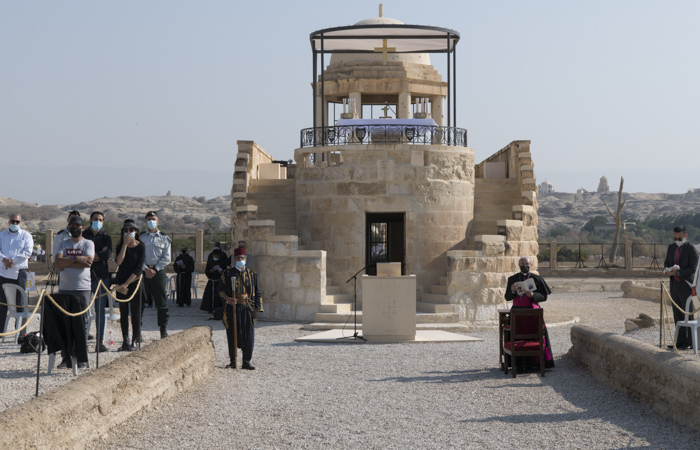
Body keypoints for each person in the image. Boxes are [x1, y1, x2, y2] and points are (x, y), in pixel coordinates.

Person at [54, 216, 94, 368]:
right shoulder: (63, 243)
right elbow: (58, 263)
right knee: (65, 324)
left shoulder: (88, 243)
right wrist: (78, 258)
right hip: (64, 288)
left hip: (82, 289)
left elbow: (88, 263)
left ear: (83, 228)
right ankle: (66, 358)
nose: (75, 227)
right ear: (68, 227)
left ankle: (81, 357)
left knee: (81, 324)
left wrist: (68, 260)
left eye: (78, 225)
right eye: (72, 225)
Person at [504, 256, 555, 372]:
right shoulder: (512, 279)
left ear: (530, 265)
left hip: (533, 313)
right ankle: (518, 365)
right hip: (517, 312)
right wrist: (512, 290)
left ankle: (535, 364)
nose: (524, 265)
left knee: (535, 336)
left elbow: (544, 296)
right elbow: (507, 297)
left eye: (526, 263)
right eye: (522, 263)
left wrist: (532, 295)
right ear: (518, 265)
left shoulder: (537, 279)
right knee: (516, 337)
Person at [219, 247, 262, 370]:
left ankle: (246, 361)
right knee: (232, 333)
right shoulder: (227, 274)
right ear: (234, 260)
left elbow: (258, 292)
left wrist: (256, 308)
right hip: (232, 308)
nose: (240, 260)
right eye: (238, 258)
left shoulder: (252, 274)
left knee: (249, 334)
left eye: (242, 258)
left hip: (247, 308)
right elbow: (220, 291)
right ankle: (233, 361)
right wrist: (228, 299)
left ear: (246, 259)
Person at [663, 226, 700, 350]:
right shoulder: (671, 247)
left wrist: (678, 273)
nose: (677, 240)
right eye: (675, 238)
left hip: (686, 285)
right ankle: (679, 341)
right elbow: (667, 262)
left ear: (685, 236)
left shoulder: (691, 249)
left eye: (679, 238)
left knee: (687, 313)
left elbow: (694, 268)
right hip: (675, 285)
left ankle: (690, 342)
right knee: (677, 313)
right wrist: (668, 270)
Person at [82, 211, 113, 352]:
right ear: (90, 221)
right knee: (83, 309)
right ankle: (81, 338)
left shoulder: (106, 238)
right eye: (95, 219)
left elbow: (107, 255)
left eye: (100, 220)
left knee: (100, 310)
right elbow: (81, 254)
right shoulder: (83, 236)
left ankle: (99, 341)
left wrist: (91, 256)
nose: (98, 222)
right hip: (84, 277)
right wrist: (98, 254)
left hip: (101, 277)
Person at [114, 219, 145, 351]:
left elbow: (138, 269)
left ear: (136, 232)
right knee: (123, 311)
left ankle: (135, 339)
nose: (128, 232)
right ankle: (125, 340)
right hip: (121, 281)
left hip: (134, 282)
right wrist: (125, 245)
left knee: (135, 312)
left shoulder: (141, 247)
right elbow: (119, 262)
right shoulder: (120, 246)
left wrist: (126, 284)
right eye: (125, 230)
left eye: (131, 230)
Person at [0, 214, 34, 336]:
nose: (15, 224)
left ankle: (21, 332)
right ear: (8, 222)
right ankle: (1, 331)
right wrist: (4, 259)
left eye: (17, 222)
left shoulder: (26, 236)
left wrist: (12, 260)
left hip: (20, 272)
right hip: (3, 272)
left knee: (21, 302)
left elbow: (27, 251)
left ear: (20, 223)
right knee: (2, 302)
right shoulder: (2, 235)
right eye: (13, 221)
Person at [140, 211, 171, 338]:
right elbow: (138, 256)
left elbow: (167, 258)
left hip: (158, 273)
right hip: (143, 272)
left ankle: (163, 329)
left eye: (153, 219)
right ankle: (137, 330)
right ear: (145, 221)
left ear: (158, 221)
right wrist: (146, 269)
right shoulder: (140, 237)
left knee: (161, 302)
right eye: (149, 219)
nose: (151, 221)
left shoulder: (164, 238)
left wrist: (155, 269)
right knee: (140, 301)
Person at [200, 246, 228, 313]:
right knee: (210, 295)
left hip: (219, 281)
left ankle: (219, 309)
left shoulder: (222, 263)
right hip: (211, 281)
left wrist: (221, 272)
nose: (216, 256)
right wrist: (210, 271)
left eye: (217, 255)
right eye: (215, 255)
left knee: (219, 296)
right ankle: (210, 308)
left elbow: (226, 271)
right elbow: (207, 271)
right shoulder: (210, 262)